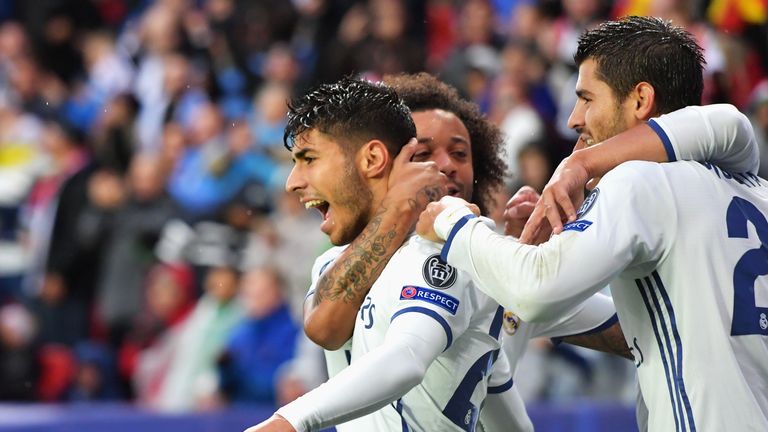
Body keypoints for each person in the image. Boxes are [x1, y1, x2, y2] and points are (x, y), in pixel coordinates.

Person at [417, 16, 768, 431]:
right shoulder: (755, 189)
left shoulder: (638, 179)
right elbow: (651, 330)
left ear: (640, 100)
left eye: (586, 98)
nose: (573, 119)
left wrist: (454, 223)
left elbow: (537, 290)